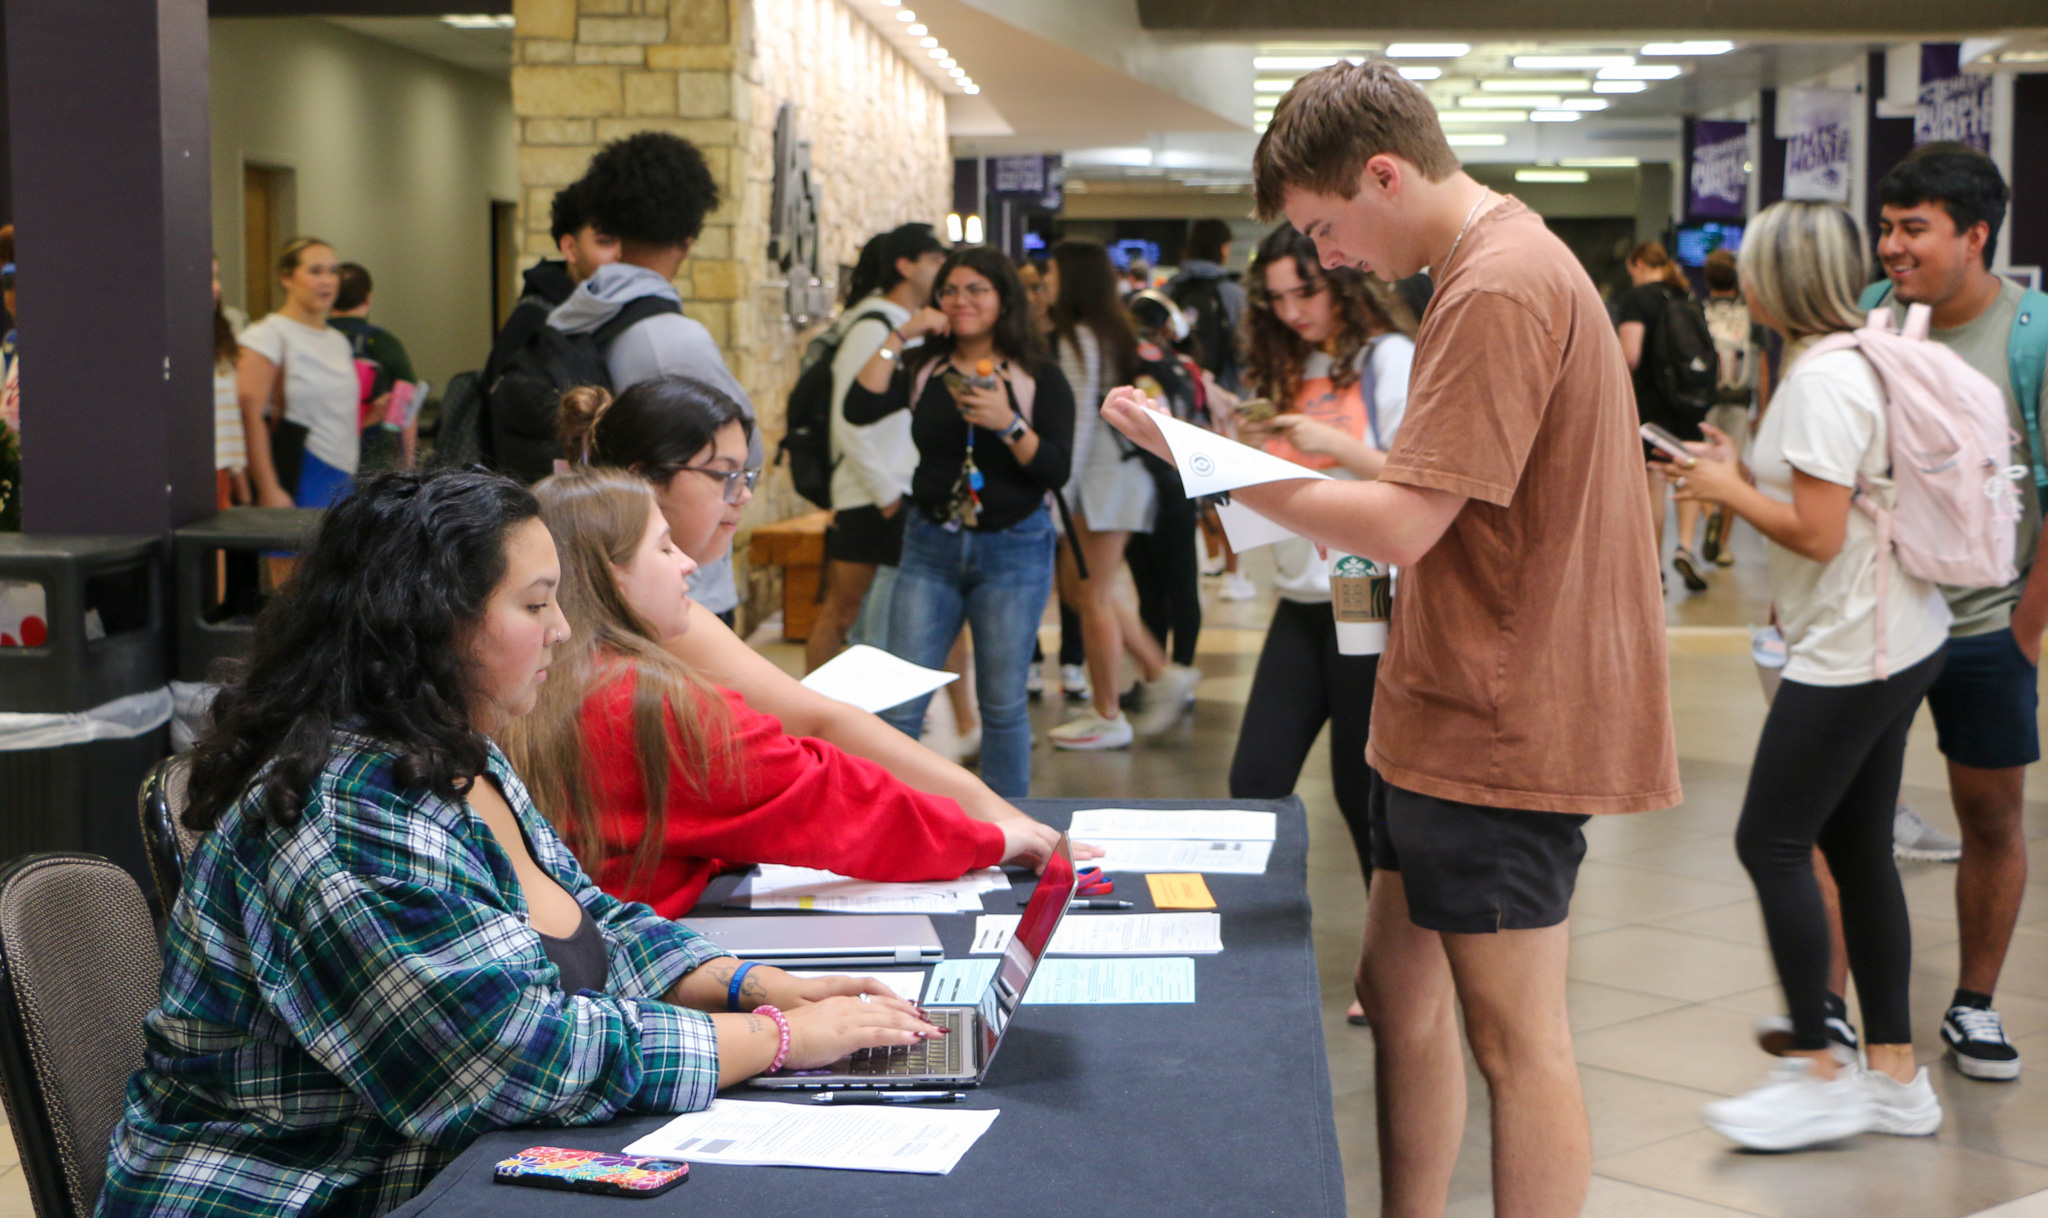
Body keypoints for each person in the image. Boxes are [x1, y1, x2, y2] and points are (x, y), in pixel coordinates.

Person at [1104, 61, 1678, 1216]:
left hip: (1499, 715)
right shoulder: (1485, 270)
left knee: (1515, 1042)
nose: (1327, 259)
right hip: (1446, 699)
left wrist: (1209, 463)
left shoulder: (1498, 284)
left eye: (1325, 227)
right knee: (1395, 985)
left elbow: (1401, 525)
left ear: (1382, 172)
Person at [98, 469, 940, 1218]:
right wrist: (779, 1041)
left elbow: (590, 920)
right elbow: (507, 1060)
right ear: (432, 624)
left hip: (409, 1162)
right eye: (535, 604)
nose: (564, 631)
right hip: (297, 1190)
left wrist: (755, 986)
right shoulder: (343, 823)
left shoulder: (460, 750)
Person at [1657, 199, 1950, 1148]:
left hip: (1850, 650)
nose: (1736, 274)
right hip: (1898, 635)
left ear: (1774, 279)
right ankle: (1897, 1078)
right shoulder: (1852, 357)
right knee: (1860, 848)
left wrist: (1726, 491)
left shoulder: (1823, 379)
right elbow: (1833, 503)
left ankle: (1819, 1070)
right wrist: (1743, 472)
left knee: (1771, 842)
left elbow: (1819, 535)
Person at [504, 463, 1059, 916]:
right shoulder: (646, 699)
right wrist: (989, 838)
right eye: (666, 548)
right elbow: (830, 799)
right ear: (611, 572)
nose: (688, 564)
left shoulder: (532, 682)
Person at [557, 373, 1057, 837]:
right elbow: (815, 728)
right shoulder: (652, 612)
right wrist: (991, 816)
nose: (744, 496)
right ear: (643, 480)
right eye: (724, 475)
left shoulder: (594, 572)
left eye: (746, 474)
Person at [1860, 142, 2045, 1079]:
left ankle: (1974, 1003)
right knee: (1851, 819)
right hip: (1881, 623)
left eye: (1913, 229)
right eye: (1887, 227)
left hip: (1985, 630)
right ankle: (1849, 1006)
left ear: (1974, 236)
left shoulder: (2033, 333)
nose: (1892, 247)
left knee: (1991, 818)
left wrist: (2022, 631)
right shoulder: (1874, 321)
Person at [1225, 222, 1414, 1025]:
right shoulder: (1286, 366)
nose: (1293, 310)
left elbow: (1416, 478)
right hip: (1302, 593)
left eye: (1305, 290)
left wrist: (1325, 440)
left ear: (1341, 278)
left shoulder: (1389, 359)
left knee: (1359, 785)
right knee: (1256, 776)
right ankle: (1256, 953)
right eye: (1277, 298)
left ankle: (1394, 975)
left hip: (1366, 586)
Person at [844, 246, 1074, 798]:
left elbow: (1055, 470)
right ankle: (889, 829)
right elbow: (858, 404)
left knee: (1001, 703)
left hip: (1013, 550)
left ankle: (1008, 834)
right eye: (950, 289)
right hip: (930, 546)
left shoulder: (1038, 374)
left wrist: (1008, 423)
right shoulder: (926, 366)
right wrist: (900, 336)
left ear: (1002, 299)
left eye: (977, 290)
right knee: (901, 703)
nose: (961, 301)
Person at [549, 133, 757, 625]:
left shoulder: (567, 315)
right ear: (689, 235)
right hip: (677, 582)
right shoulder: (669, 341)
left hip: (597, 566)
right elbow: (735, 457)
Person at [1043, 240, 1196, 750]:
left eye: (1050, 273)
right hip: (1111, 479)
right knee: (1087, 590)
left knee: (1092, 596)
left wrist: (1057, 495)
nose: (1044, 282)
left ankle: (1109, 714)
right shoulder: (1106, 332)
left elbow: (1080, 421)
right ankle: (1159, 671)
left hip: (1101, 480)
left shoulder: (1077, 337)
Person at [804, 222, 948, 673]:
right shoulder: (874, 326)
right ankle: (813, 721)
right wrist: (885, 495)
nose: (943, 269)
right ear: (906, 266)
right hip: (870, 491)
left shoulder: (905, 325)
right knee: (842, 611)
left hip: (894, 487)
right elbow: (849, 419)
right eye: (935, 260)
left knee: (889, 612)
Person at [1122, 290, 1207, 699]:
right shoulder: (1179, 365)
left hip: (1141, 486)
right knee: (1180, 583)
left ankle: (1160, 677)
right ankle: (1181, 671)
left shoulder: (1127, 363)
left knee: (1151, 588)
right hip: (1178, 484)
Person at [1618, 240, 1712, 590]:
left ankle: (1652, 570)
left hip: (1651, 404)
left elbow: (1630, 355)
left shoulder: (1636, 300)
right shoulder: (1688, 297)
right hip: (1690, 400)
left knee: (1654, 482)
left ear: (1638, 263)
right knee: (1687, 474)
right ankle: (1686, 547)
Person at [237, 237, 358, 509]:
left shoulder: (338, 341)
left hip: (343, 473)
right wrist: (269, 488)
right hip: (300, 471)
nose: (327, 281)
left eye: (333, 271)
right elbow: (249, 416)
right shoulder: (267, 336)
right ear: (287, 279)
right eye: (315, 271)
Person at [1699, 246, 1771, 568]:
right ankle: (1723, 542)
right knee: (1733, 469)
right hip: (1740, 403)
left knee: (1699, 464)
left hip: (1704, 401)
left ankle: (1706, 518)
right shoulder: (1751, 316)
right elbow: (1763, 365)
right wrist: (1764, 408)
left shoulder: (1697, 312)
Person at [329, 262, 422, 475]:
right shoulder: (383, 342)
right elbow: (406, 403)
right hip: (373, 458)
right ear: (368, 297)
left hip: (324, 453)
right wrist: (408, 464)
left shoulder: (317, 337)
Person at [1165, 217, 1248, 392]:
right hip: (1224, 392)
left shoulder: (1168, 290)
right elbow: (1245, 349)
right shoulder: (1233, 294)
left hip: (1177, 391)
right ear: (1223, 248)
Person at [211, 259, 249, 509]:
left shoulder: (222, 336)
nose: (215, 287)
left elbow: (230, 419)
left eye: (217, 278)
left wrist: (241, 482)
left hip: (223, 470)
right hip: (188, 472)